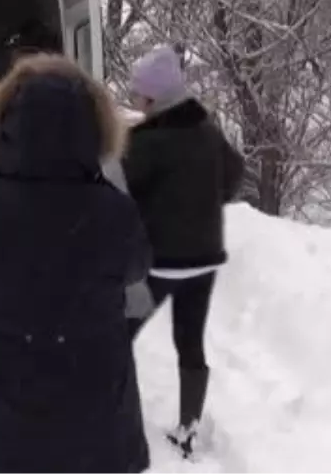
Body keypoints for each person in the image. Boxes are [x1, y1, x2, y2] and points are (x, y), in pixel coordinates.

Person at [0, 54, 153, 474]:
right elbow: (136, 269)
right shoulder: (114, 212)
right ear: (96, 127)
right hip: (94, 435)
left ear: (2, 121)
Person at [120, 44, 244, 458]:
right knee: (189, 344)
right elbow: (233, 173)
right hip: (204, 260)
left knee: (117, 337)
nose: (135, 100)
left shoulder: (145, 142)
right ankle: (188, 428)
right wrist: (205, 204)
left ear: (152, 98)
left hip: (158, 263)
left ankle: (116, 421)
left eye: (138, 94)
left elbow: (122, 195)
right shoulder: (207, 130)